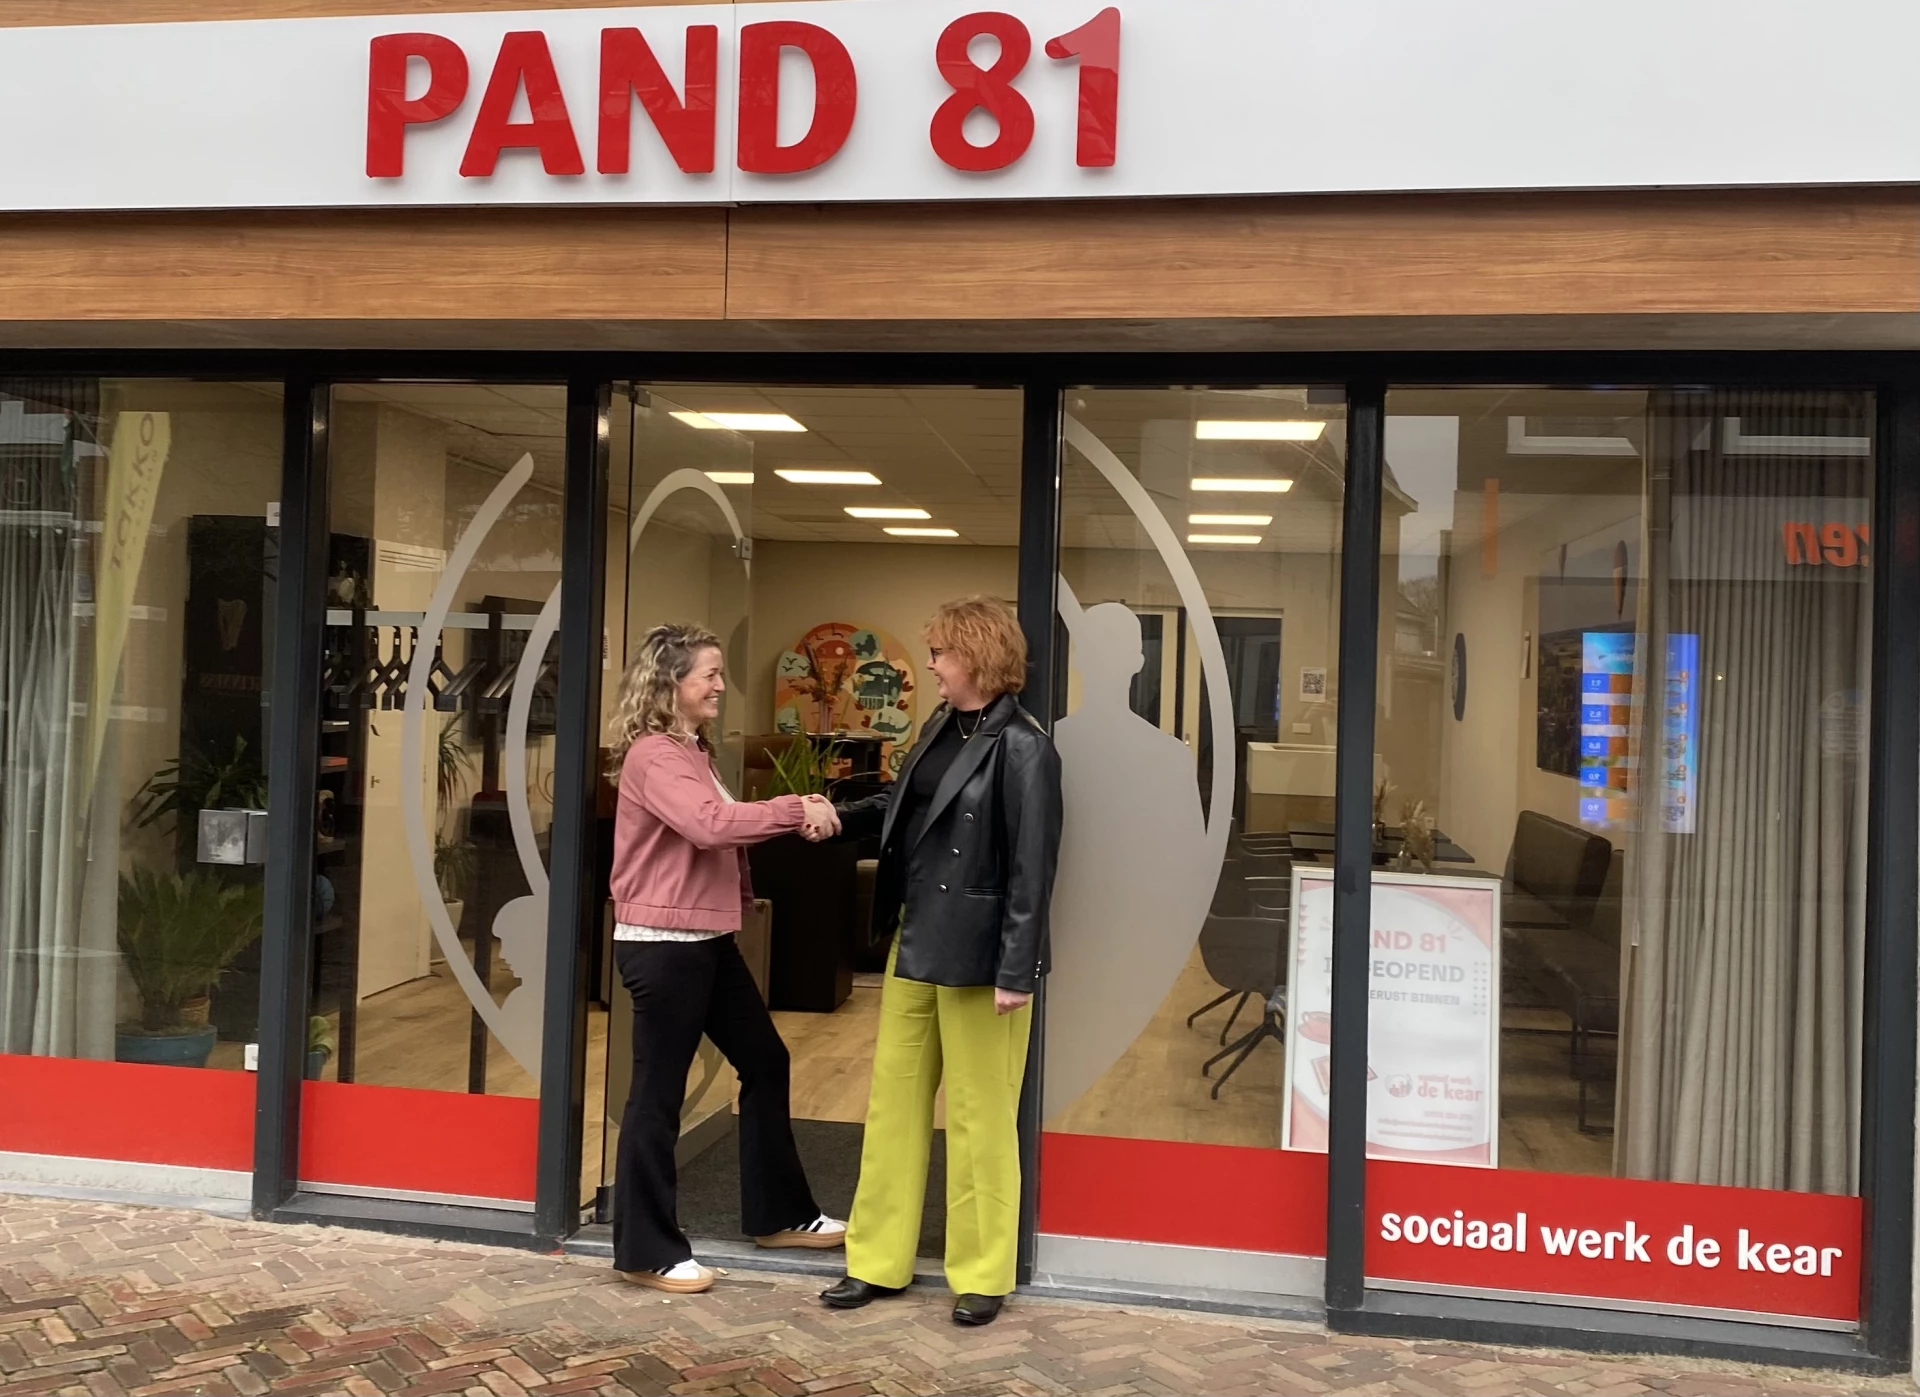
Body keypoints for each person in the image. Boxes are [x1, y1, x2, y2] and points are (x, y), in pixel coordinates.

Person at [818, 597, 1064, 1327]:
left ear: (976, 657)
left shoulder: (1025, 747)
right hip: (914, 937)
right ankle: (875, 1260)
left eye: (939, 653)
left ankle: (983, 1273)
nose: (929, 665)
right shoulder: (937, 727)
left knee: (981, 1116)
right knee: (891, 1105)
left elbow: (1033, 869)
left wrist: (1017, 970)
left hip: (982, 958)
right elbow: (905, 807)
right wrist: (837, 814)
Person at [606, 622, 845, 1294]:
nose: (719, 685)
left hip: (705, 940)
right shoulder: (655, 755)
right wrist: (795, 807)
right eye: (709, 674)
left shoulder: (692, 750)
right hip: (663, 946)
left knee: (766, 1060)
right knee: (658, 1094)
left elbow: (719, 828)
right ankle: (646, 1250)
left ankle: (781, 1214)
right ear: (670, 682)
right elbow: (708, 825)